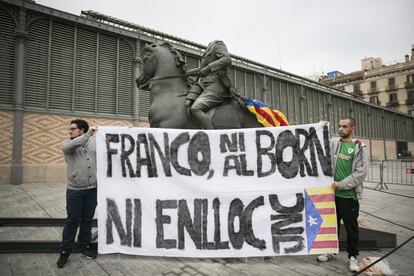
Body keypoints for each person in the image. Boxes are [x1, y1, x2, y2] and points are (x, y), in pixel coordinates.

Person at [317, 117, 368, 272]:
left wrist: (339, 184)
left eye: (345, 126)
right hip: (332, 195)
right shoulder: (335, 143)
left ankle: (353, 257)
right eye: (339, 126)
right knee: (332, 225)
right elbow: (321, 142)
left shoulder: (359, 147)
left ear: (352, 128)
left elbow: (361, 173)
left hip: (349, 196)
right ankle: (332, 251)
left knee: (351, 228)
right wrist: (320, 126)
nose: (341, 129)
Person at [57, 119, 98, 268]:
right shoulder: (68, 144)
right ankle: (64, 252)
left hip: (92, 189)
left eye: (72, 129)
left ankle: (84, 246)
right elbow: (73, 144)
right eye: (70, 129)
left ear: (81, 130)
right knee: (72, 220)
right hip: (75, 191)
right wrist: (88, 134)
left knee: (87, 220)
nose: (70, 131)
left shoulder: (94, 143)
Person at [185, 40, 232, 129]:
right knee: (186, 103)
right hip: (202, 84)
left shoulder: (218, 44)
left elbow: (227, 59)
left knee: (196, 108)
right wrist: (188, 72)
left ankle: (213, 135)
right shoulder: (207, 49)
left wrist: (209, 68)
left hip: (216, 83)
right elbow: (202, 69)